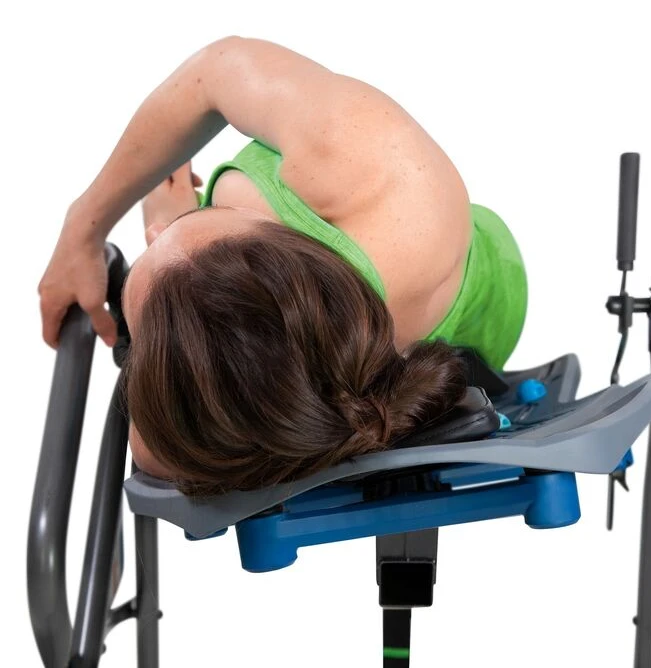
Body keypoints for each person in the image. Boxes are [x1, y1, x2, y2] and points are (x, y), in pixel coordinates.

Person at [37, 36, 527, 495]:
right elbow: (217, 70)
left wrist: (86, 229)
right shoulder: (367, 166)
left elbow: (153, 450)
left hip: (472, 309)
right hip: (485, 314)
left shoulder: (376, 174)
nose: (153, 232)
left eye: (162, 236)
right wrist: (94, 233)